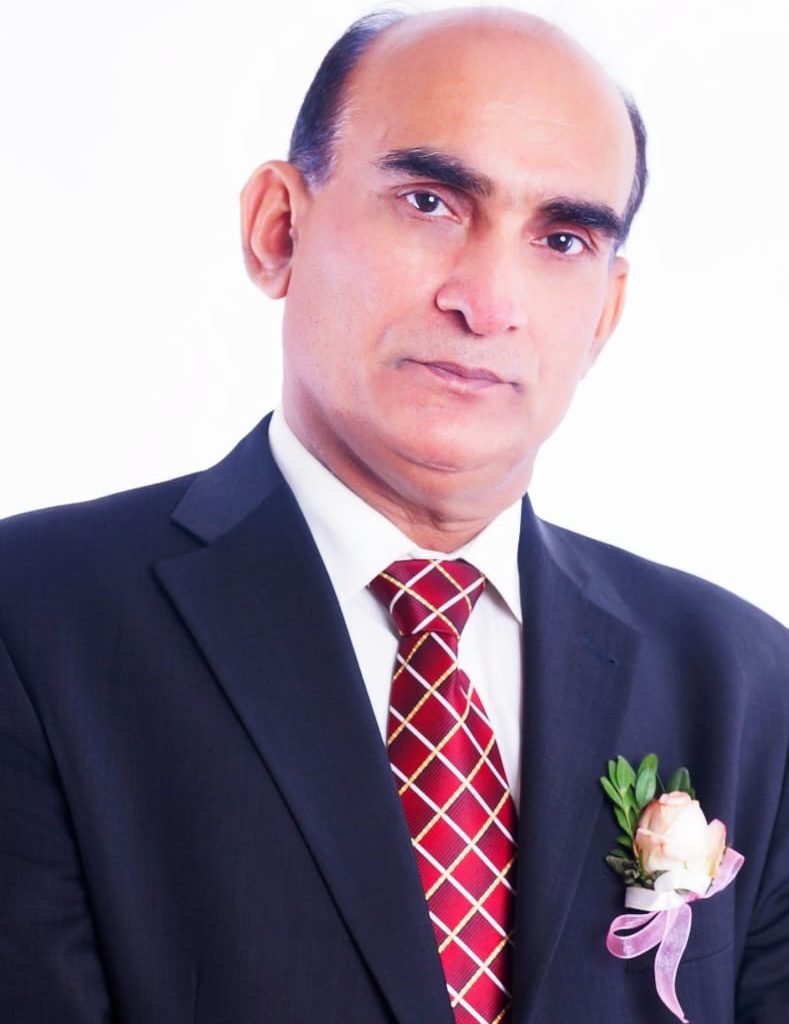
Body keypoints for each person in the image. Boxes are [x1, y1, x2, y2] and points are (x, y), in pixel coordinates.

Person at [0, 7, 786, 1023]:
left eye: (561, 238)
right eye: (429, 202)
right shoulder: (34, 622)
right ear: (277, 228)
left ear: (604, 311)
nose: (488, 300)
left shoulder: (744, 683)